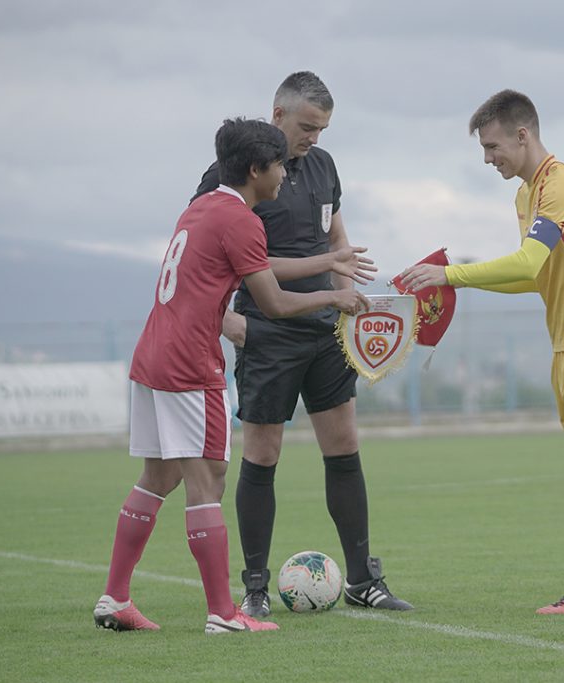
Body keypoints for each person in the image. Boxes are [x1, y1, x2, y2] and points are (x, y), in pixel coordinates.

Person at [93, 117, 370, 634]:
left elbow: (255, 266)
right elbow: (273, 301)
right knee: (209, 481)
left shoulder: (204, 207)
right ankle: (223, 613)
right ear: (254, 169)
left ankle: (115, 597)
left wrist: (328, 258)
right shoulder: (242, 220)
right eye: (278, 168)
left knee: (159, 477)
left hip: (152, 354)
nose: (285, 177)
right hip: (189, 363)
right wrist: (334, 293)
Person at [401, 90, 564, 614]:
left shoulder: (562, 181)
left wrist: (450, 274)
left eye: (493, 145)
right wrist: (457, 285)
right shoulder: (527, 196)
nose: (487, 157)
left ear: (524, 135)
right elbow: (535, 274)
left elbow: (525, 262)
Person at [191, 71, 413, 615]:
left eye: (323, 128)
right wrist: (229, 323)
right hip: (267, 330)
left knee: (344, 446)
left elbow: (336, 238)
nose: (315, 137)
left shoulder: (323, 165)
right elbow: (204, 258)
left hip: (325, 326)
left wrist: (348, 305)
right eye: (308, 126)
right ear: (278, 114)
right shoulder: (230, 175)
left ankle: (362, 579)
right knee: (263, 454)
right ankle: (256, 588)